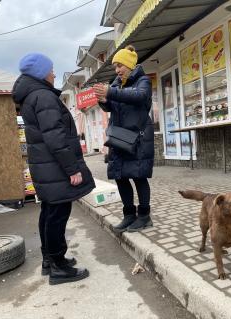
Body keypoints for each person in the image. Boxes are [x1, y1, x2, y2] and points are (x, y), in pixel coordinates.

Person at [12, 53, 96, 285]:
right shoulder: (43, 96)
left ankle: (50, 260)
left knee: (49, 212)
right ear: (40, 73)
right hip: (56, 169)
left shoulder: (32, 96)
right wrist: (72, 169)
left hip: (47, 168)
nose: (54, 74)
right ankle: (58, 267)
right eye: (50, 70)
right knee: (57, 215)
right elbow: (56, 138)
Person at [93, 45, 154, 233]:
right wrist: (104, 100)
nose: (117, 70)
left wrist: (110, 93)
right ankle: (129, 215)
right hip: (119, 138)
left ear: (129, 64)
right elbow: (113, 105)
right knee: (120, 176)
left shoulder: (143, 81)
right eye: (115, 67)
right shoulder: (117, 84)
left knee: (139, 177)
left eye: (120, 65)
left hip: (138, 138)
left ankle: (144, 216)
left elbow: (139, 96)